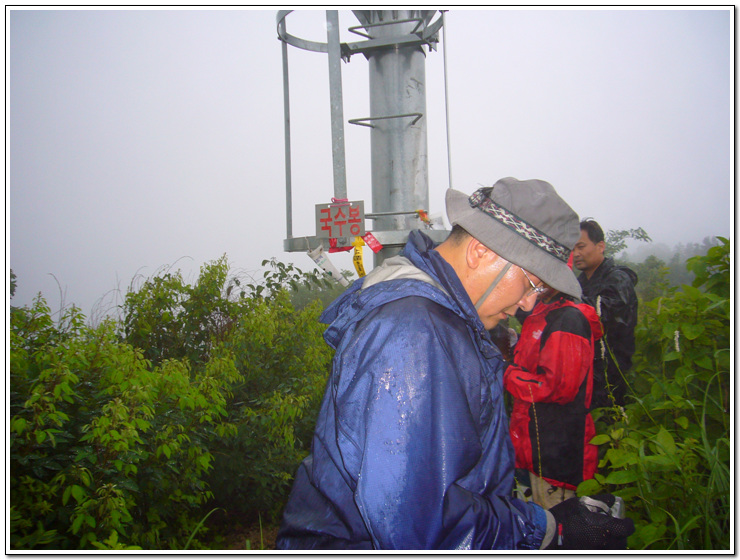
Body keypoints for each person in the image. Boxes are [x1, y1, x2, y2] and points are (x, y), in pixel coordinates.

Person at [276, 178, 634, 550]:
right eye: (531, 283)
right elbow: (415, 523)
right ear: (481, 252)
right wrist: (547, 529)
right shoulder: (412, 332)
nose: (528, 304)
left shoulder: (446, 321)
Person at [504, 284, 603, 510]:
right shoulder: (541, 315)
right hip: (529, 446)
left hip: (555, 454)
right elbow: (539, 359)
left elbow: (557, 387)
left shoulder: (567, 320)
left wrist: (505, 372)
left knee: (555, 526)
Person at [572, 219, 638, 410]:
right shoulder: (579, 283)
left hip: (610, 377)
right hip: (583, 376)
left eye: (581, 246)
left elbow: (601, 318)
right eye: (572, 248)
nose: (576, 254)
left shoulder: (619, 280)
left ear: (600, 246)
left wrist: (561, 294)